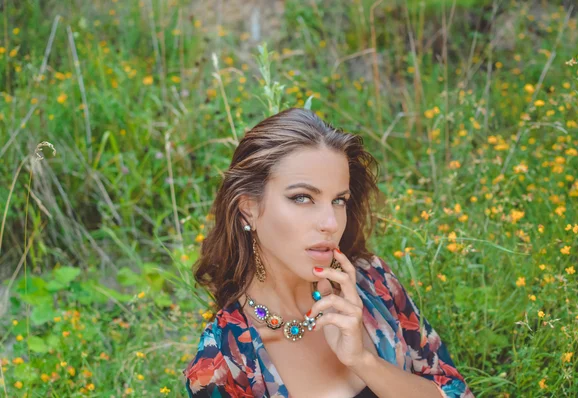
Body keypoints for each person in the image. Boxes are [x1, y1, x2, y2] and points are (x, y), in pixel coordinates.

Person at [183, 108, 474, 397]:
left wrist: (363, 361)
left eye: (339, 200)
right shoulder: (223, 365)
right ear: (248, 209)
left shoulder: (372, 282)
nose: (331, 224)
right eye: (302, 198)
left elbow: (456, 392)